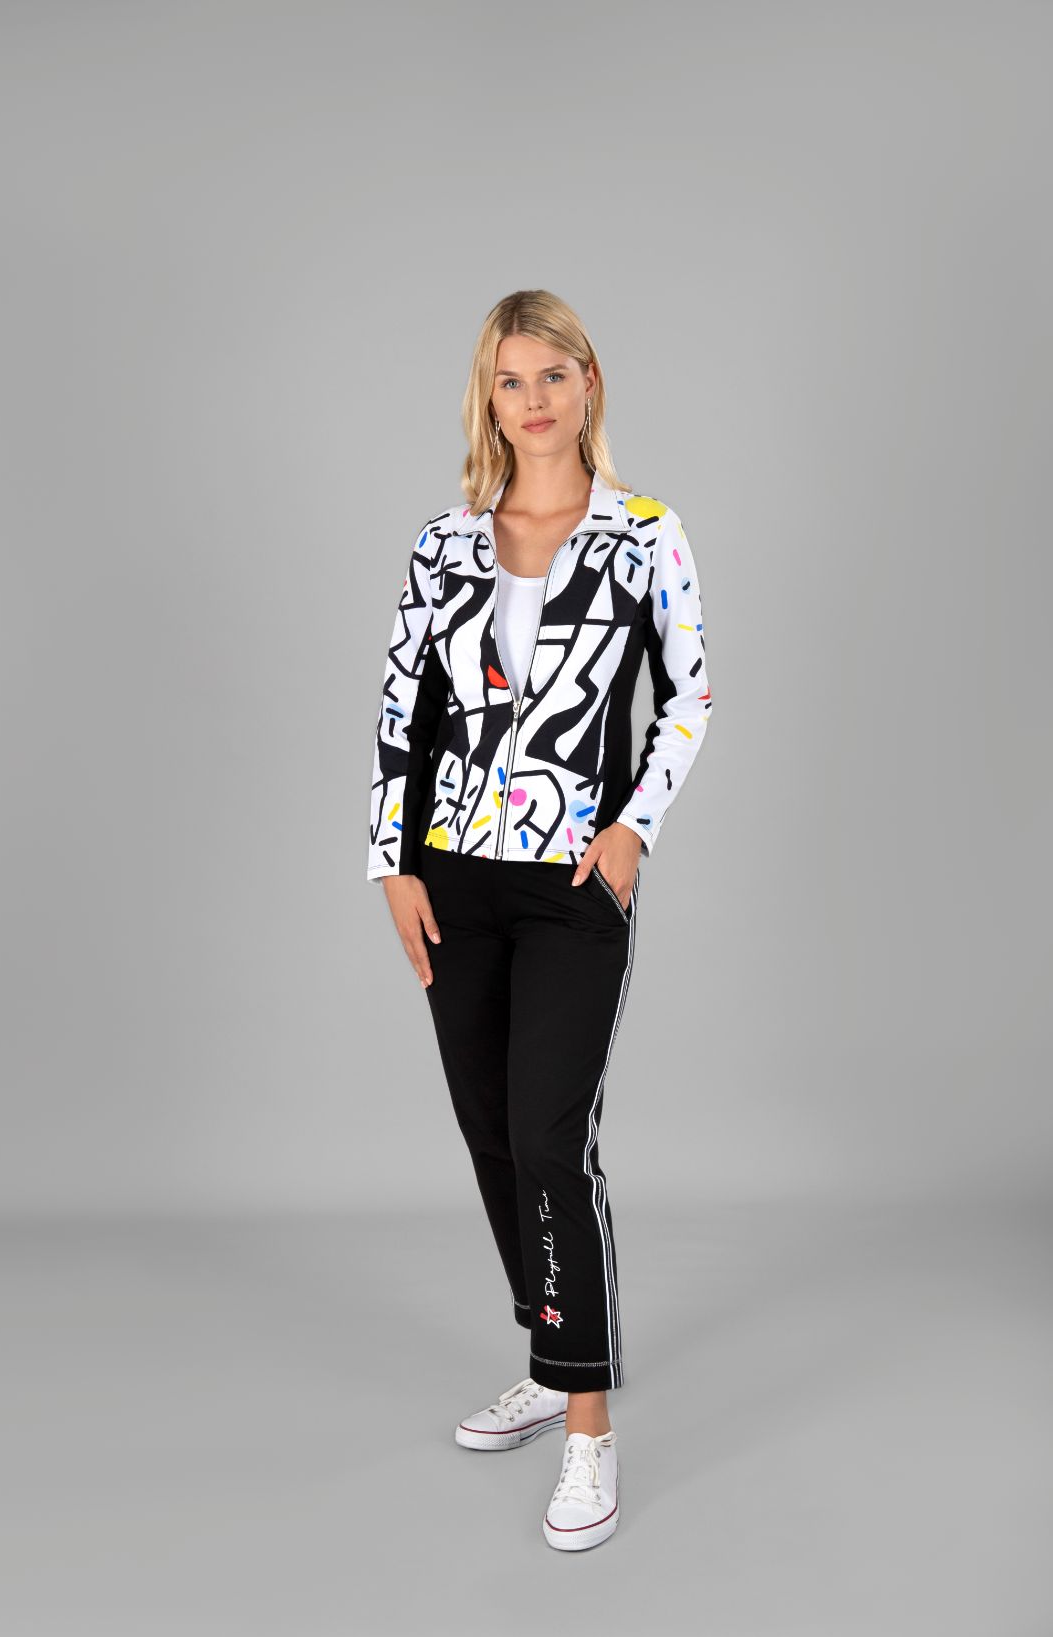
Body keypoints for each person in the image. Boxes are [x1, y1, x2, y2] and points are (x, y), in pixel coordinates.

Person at [365, 289, 713, 1550]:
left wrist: (633, 830)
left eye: (552, 374)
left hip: (573, 884)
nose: (534, 400)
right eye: (510, 381)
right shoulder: (444, 541)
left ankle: (589, 1426)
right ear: (490, 398)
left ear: (588, 381)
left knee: (550, 1134)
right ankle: (549, 1350)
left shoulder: (644, 533)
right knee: (489, 1130)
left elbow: (690, 695)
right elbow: (404, 707)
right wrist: (392, 862)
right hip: (453, 874)